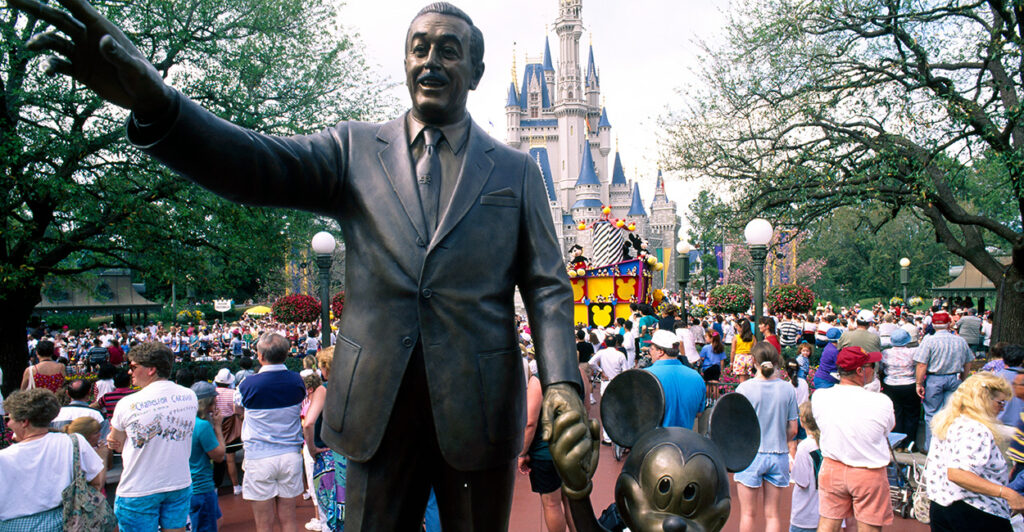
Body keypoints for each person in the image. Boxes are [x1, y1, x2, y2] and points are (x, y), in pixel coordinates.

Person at [8, 1, 595, 528]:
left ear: (478, 71)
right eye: (420, 48)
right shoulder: (355, 149)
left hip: (478, 415)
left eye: (449, 50)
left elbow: (547, 285)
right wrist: (160, 103)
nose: (432, 61)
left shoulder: (516, 172)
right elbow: (255, 163)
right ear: (405, 61)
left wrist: (563, 386)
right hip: (373, 414)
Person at [107, 341, 197, 532]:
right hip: (178, 483)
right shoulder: (190, 395)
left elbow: (116, 443)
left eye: (133, 367)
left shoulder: (127, 403)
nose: (129, 372)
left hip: (139, 488)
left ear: (151, 370)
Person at [925, 372, 1024, 530]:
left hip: (941, 504)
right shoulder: (975, 428)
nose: (1002, 408)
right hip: (976, 509)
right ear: (984, 399)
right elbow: (958, 473)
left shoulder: (949, 421)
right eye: (1000, 403)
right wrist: (1007, 493)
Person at [811, 346, 895, 532]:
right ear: (860, 371)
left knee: (827, 524)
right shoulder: (882, 402)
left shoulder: (820, 397)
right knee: (869, 527)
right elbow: (888, 428)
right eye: (871, 365)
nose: (874, 369)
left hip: (832, 468)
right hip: (868, 472)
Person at [0, 389, 104, 529]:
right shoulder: (73, 442)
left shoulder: (4, 458)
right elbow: (97, 480)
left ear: (24, 421)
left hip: (15, 525)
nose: (8, 424)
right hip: (66, 520)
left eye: (9, 419)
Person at [234, 333, 307, 532]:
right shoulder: (297, 380)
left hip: (259, 457)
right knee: (289, 519)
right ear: (286, 354)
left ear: (260, 356)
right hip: (290, 455)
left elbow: (238, 410)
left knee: (264, 524)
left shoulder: (246, 384)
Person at [734, 342, 798, 532]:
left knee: (747, 514)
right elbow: (793, 429)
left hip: (750, 455)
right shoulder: (787, 389)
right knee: (773, 514)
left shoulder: (744, 389)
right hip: (778, 453)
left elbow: (737, 426)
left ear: (753, 361)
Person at [302, 346, 349, 532]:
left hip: (329, 457)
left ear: (326, 367)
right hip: (353, 458)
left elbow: (308, 423)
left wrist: (312, 448)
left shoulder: (324, 390)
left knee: (329, 515)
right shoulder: (358, 387)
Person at [519, 371, 572, 532]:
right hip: (571, 449)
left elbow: (530, 422)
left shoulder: (539, 379)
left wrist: (522, 453)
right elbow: (586, 408)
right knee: (571, 501)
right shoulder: (578, 374)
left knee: (552, 504)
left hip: (546, 452)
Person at [915, 310, 975, 452]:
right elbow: (968, 361)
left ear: (933, 325)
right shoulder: (960, 340)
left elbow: (922, 364)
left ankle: (931, 448)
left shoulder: (929, 341)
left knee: (932, 413)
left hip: (935, 378)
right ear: (949, 324)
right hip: (954, 377)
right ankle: (950, 446)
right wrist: (964, 378)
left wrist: (919, 383)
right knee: (952, 413)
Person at [646, 330, 706, 430]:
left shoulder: (645, 376)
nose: (649, 352)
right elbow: (699, 413)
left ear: (660, 352)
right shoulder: (696, 377)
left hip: (654, 442)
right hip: (685, 441)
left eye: (651, 349)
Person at [188, 381, 226, 532]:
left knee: (217, 520)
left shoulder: (184, 422)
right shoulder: (202, 426)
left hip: (189, 485)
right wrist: (218, 427)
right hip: (201, 486)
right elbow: (219, 455)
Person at [880, 328, 921, 451]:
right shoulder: (914, 352)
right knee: (911, 415)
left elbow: (882, 368)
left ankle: (897, 444)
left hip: (891, 385)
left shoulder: (885, 353)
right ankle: (910, 444)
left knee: (895, 414)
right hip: (909, 384)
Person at [789, 401, 821, 532]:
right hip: (824, 512)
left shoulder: (805, 447)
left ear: (802, 420)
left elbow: (802, 482)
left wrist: (792, 467)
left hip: (805, 513)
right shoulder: (827, 442)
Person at [731, 318, 755, 383]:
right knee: (747, 379)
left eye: (737, 326)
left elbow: (733, 351)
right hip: (749, 358)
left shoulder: (736, 337)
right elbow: (755, 349)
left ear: (741, 327)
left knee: (741, 380)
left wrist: (731, 362)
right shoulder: (752, 337)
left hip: (739, 357)